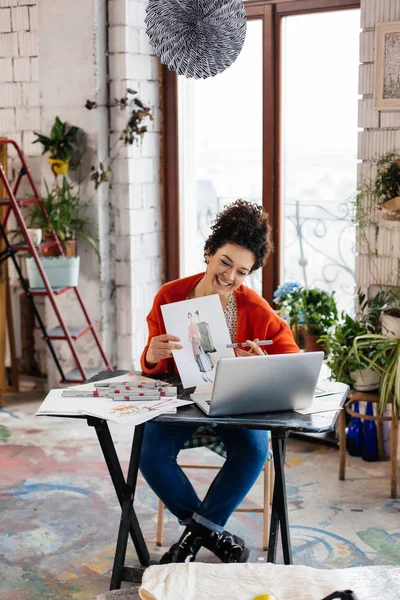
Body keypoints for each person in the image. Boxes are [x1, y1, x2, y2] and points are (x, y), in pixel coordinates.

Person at [140, 199, 299, 565]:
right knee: (151, 455)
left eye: (242, 271)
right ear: (210, 252)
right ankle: (214, 536)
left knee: (255, 450)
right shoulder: (170, 296)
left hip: (236, 398)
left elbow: (291, 360)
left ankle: (190, 543)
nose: (229, 276)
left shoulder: (255, 308)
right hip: (183, 398)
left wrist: (263, 365)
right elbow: (151, 361)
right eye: (225, 262)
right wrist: (152, 355)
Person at [187, 312, 214, 382]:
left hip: (200, 343)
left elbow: (201, 332)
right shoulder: (189, 327)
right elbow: (189, 338)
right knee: (200, 359)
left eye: (190, 316)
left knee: (205, 357)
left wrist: (198, 336)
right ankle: (205, 376)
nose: (190, 317)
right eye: (189, 316)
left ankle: (205, 376)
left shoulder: (196, 325)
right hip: (195, 344)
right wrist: (192, 337)